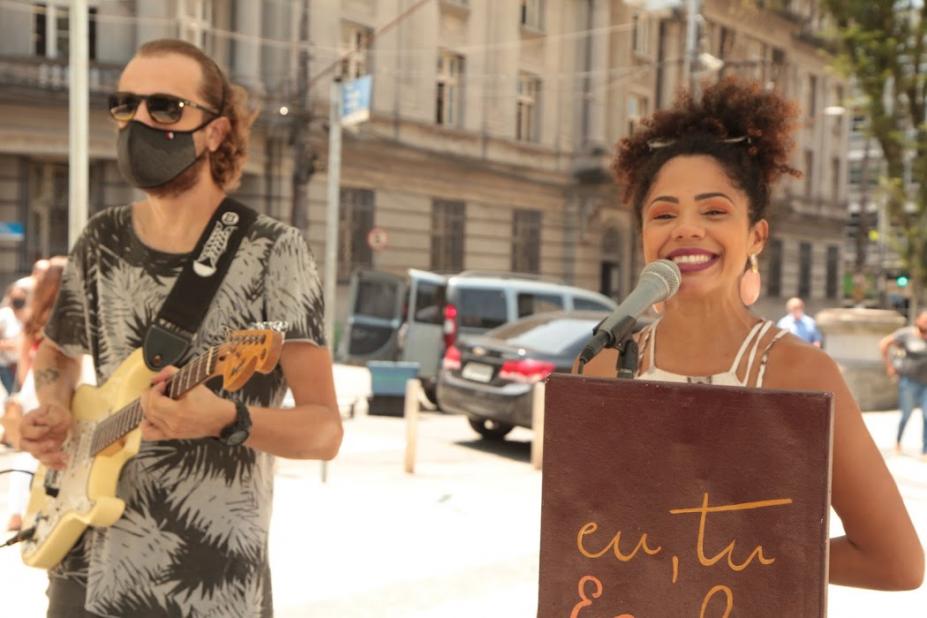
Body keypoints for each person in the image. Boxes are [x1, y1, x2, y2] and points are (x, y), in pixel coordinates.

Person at [18, 39, 343, 617]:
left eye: (165, 108)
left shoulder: (274, 251)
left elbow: (324, 431)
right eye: (127, 105)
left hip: (208, 582)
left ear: (216, 132)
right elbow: (58, 353)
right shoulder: (101, 237)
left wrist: (229, 418)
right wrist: (55, 407)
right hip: (83, 562)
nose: (140, 121)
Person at [581, 78, 923, 590]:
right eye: (664, 213)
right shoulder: (604, 363)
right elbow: (584, 533)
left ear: (755, 235)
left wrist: (735, 556)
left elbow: (894, 562)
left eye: (714, 210)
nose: (687, 228)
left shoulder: (801, 373)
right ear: (644, 237)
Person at [1, 257, 66, 532]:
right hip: (58, 387)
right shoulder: (67, 319)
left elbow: (26, 364)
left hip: (33, 388)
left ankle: (16, 511)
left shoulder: (34, 316)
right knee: (53, 448)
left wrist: (28, 390)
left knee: (29, 449)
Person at [879, 309, 927, 458]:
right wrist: (889, 365)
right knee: (906, 414)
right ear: (918, 320)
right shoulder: (907, 334)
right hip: (909, 381)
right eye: (925, 320)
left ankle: (925, 449)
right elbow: (884, 344)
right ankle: (898, 442)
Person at [0, 281, 28, 393]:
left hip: (22, 365)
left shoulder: (28, 315)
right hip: (7, 366)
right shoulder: (3, 315)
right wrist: (13, 346)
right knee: (13, 396)